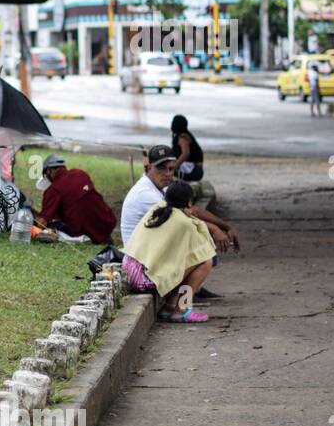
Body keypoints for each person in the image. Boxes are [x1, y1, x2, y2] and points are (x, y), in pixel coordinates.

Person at [122, 181, 217, 323]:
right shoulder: (183, 223)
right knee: (204, 261)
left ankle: (170, 307)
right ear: (189, 202)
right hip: (144, 279)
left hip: (130, 269)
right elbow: (205, 248)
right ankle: (181, 309)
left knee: (184, 262)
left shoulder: (157, 208)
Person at [36, 155, 117, 244]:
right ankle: (103, 237)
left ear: (49, 171)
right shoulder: (80, 173)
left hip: (86, 232)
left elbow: (42, 222)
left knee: (51, 226)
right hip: (107, 222)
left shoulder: (53, 190)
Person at [170, 115, 205, 182]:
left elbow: (186, 154)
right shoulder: (185, 135)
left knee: (165, 168)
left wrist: (174, 167)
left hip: (193, 171)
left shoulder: (183, 137)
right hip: (194, 170)